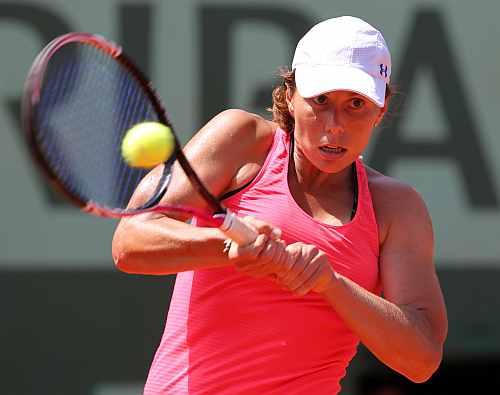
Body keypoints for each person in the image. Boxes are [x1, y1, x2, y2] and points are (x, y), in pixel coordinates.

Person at [112, 16, 448, 395]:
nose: (334, 125)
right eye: (320, 101)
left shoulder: (397, 207)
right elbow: (129, 243)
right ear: (290, 95)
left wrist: (330, 283)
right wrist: (227, 249)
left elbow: (421, 360)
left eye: (356, 104)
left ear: (381, 110)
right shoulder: (242, 140)